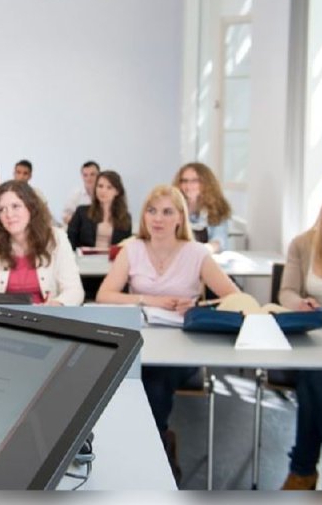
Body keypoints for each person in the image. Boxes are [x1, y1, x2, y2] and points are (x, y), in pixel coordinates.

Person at [96, 184, 238, 484]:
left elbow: (235, 298)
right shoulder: (132, 249)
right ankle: (149, 449)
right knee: (127, 380)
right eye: (151, 211)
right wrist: (149, 299)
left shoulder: (196, 253)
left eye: (166, 212)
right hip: (142, 342)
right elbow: (105, 295)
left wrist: (199, 304)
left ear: (179, 218)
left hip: (182, 347)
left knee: (155, 383)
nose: (157, 219)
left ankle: (152, 455)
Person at [278, 189, 322, 490]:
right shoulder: (302, 244)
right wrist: (299, 303)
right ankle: (303, 470)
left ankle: (302, 471)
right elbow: (286, 292)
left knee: (314, 380)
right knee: (315, 372)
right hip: (311, 335)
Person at [0, 181, 84, 306]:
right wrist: (5, 301)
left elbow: (75, 291)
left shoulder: (57, 238)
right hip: (4, 318)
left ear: (30, 208)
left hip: (46, 317)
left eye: (15, 206)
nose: (9, 214)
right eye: (2, 209)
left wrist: (57, 303)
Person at [173, 162, 232, 253]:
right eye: (184, 181)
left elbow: (219, 240)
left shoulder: (218, 208)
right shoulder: (172, 205)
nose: (188, 185)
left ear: (206, 183)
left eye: (194, 181)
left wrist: (202, 250)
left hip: (206, 259)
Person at [67, 170, 133, 249]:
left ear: (117, 192)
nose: (103, 191)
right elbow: (69, 242)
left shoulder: (125, 218)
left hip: (112, 260)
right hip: (84, 260)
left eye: (109, 187)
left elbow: (126, 247)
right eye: (100, 186)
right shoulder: (81, 212)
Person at [62, 160, 100, 225]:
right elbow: (65, 216)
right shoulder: (76, 194)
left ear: (99, 175)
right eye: (85, 175)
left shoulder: (105, 193)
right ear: (82, 176)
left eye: (92, 174)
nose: (89, 178)